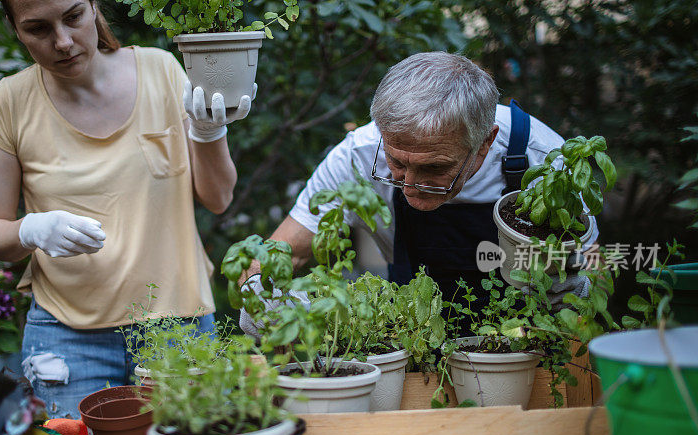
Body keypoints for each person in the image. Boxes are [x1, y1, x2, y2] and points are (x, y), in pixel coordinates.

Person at [0, 0, 251, 418]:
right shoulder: (8, 103)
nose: (63, 42)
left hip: (179, 325)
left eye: (73, 17)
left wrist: (209, 132)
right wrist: (30, 229)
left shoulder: (163, 71)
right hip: (67, 339)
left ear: (94, 6)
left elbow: (218, 198)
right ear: (15, 28)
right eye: (38, 29)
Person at [240, 52, 597, 336]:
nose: (409, 184)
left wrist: (576, 290)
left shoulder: (544, 161)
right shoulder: (358, 154)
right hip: (414, 336)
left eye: (434, 168)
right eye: (396, 162)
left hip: (523, 342)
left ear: (485, 143)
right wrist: (258, 292)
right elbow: (283, 252)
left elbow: (594, 265)